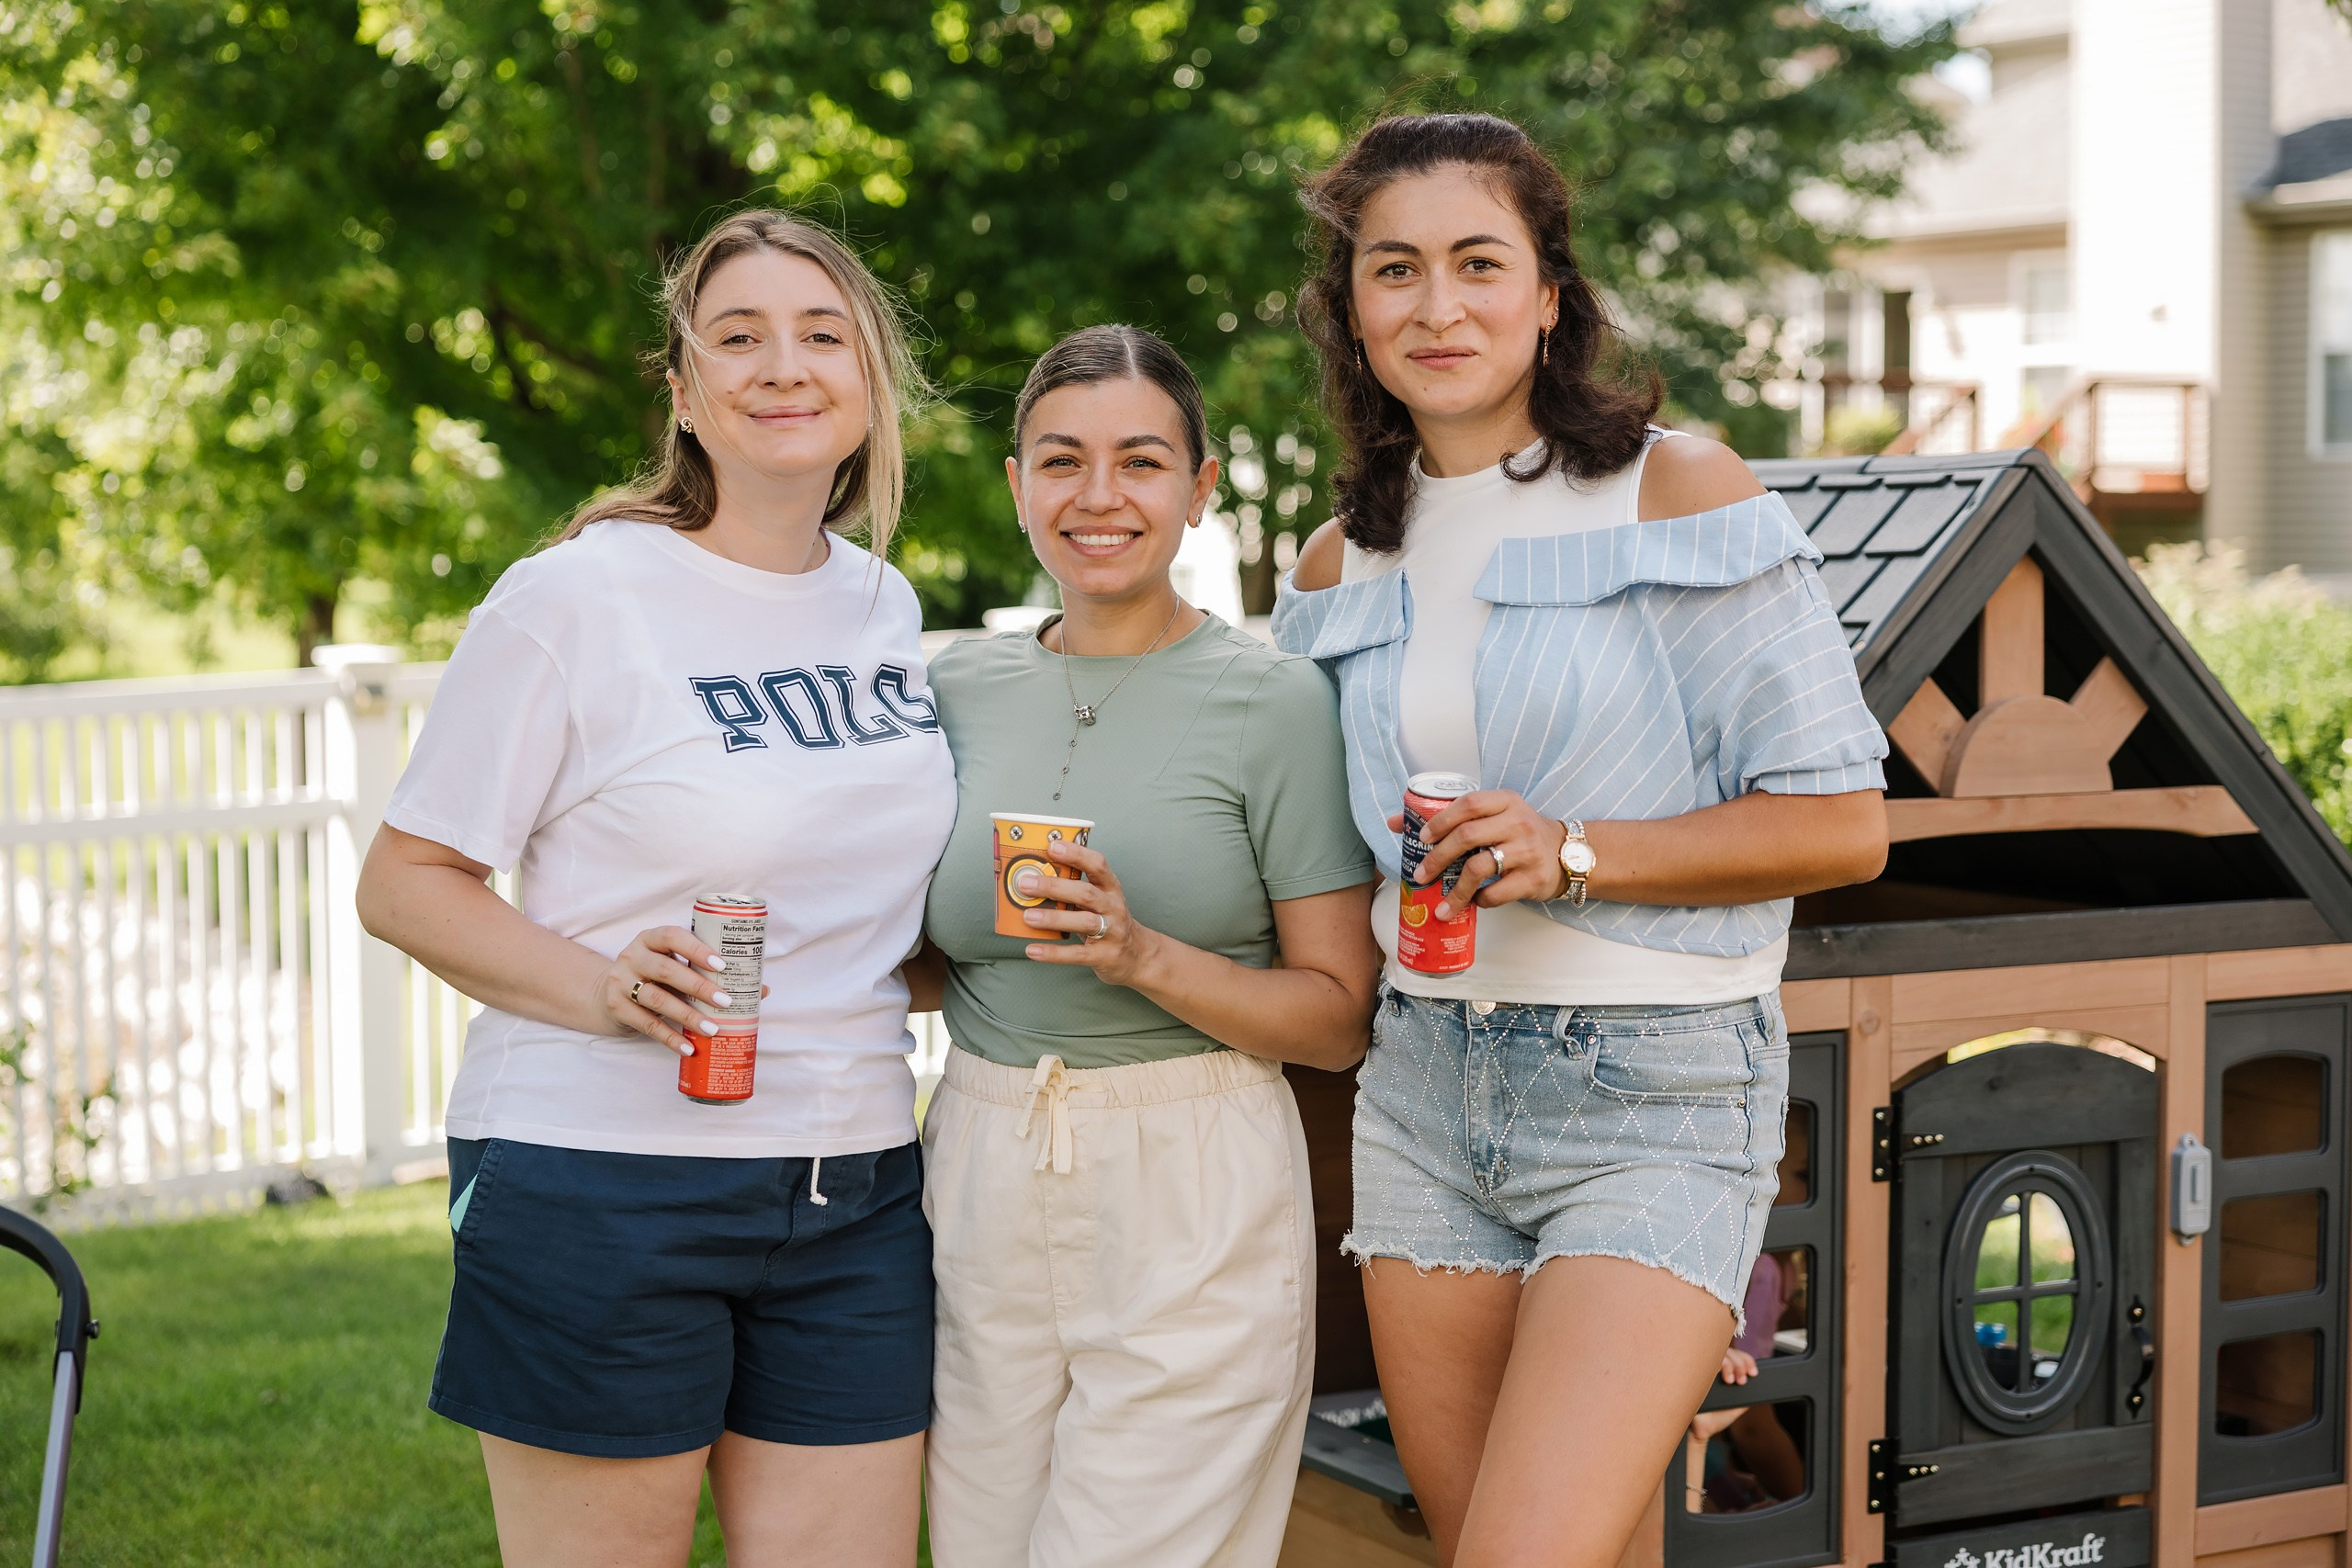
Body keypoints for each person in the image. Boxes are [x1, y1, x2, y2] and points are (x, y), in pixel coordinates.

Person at [1273, 113, 1891, 1567]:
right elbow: (1320, 860)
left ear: (1550, 296)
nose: (1437, 306)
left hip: (1655, 1095)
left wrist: (1578, 852)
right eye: (1394, 269)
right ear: (1350, 309)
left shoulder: (1680, 494)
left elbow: (1845, 823)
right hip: (1424, 1094)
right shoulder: (1339, 558)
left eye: (1478, 263)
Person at [355, 210, 951, 1568]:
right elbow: (405, 882)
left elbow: (865, 907)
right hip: (601, 1178)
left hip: (854, 1186)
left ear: (871, 384)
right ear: (685, 392)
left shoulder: (885, 608)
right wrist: (603, 987)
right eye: (738, 337)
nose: (783, 365)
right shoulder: (576, 598)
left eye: (821, 334)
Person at [913, 324, 1384, 1568]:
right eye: (1061, 460)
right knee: (981, 1549)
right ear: (1017, 484)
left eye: (1140, 461)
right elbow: (926, 949)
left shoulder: (1276, 701)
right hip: (980, 1156)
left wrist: (1141, 957)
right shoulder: (954, 690)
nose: (1099, 495)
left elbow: (1338, 1017)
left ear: (1198, 488)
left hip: (1193, 1172)